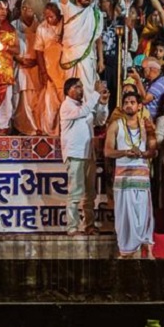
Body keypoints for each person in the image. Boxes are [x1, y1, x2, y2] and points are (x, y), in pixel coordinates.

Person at [105, 90, 156, 258]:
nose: (129, 105)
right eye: (126, 102)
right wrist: (125, 152)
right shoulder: (116, 125)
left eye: (132, 102)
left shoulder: (146, 124)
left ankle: (146, 250)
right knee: (124, 215)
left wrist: (143, 151)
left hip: (140, 176)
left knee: (142, 213)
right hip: (123, 177)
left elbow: (152, 151)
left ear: (139, 106)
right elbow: (108, 152)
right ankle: (126, 251)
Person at [59, 77, 106, 235]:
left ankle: (89, 225)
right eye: (77, 87)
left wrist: (102, 104)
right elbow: (84, 112)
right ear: (68, 90)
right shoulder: (66, 106)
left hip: (88, 154)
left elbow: (100, 120)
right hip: (75, 154)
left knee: (90, 194)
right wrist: (95, 94)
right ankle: (72, 227)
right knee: (75, 192)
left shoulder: (84, 105)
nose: (80, 90)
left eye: (81, 87)